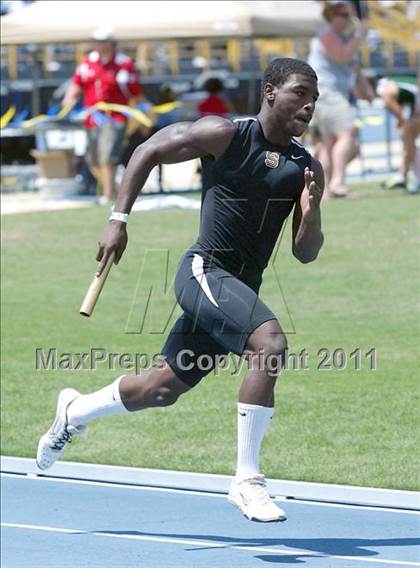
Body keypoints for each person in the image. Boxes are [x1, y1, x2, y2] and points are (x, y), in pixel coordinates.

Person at [37, 58, 324, 523]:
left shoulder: (305, 167)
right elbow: (149, 149)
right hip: (203, 271)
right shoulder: (224, 134)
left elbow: (305, 253)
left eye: (314, 98)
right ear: (270, 90)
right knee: (270, 344)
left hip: (239, 291)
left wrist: (311, 215)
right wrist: (119, 220)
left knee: (160, 389)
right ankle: (247, 481)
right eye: (299, 94)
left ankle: (74, 411)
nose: (308, 105)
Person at [63, 27, 143, 205]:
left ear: (111, 43)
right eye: (95, 41)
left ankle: (107, 196)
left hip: (115, 117)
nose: (97, 45)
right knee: (92, 160)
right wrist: (69, 98)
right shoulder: (87, 62)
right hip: (92, 118)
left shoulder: (124, 64)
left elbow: (135, 93)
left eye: (101, 41)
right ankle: (114, 189)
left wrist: (142, 115)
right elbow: (77, 84)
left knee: (107, 156)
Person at [308, 0, 367, 197]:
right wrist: (360, 34)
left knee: (330, 142)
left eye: (348, 15)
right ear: (332, 16)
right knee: (347, 134)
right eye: (343, 15)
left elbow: (353, 69)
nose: (348, 19)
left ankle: (324, 188)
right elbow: (342, 57)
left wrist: (366, 93)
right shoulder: (327, 35)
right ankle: (338, 183)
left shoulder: (342, 37)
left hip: (331, 94)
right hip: (327, 93)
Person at [377, 77, 420, 192]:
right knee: (409, 145)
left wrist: (401, 121)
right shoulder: (400, 87)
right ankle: (407, 175)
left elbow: (393, 106)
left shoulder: (388, 91)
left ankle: (405, 176)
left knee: (408, 145)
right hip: (415, 111)